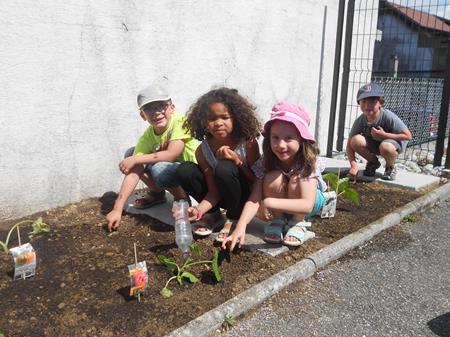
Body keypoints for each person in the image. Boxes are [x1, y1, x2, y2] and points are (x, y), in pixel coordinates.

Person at [221, 101, 326, 250]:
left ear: (301, 140)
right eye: (275, 137)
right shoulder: (266, 161)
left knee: (297, 178)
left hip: (309, 202)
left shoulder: (308, 161)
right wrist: (241, 225)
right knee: (272, 177)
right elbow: (254, 198)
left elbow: (307, 205)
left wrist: (269, 202)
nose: (281, 145)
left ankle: (298, 222)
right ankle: (279, 220)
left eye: (289, 138)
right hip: (283, 202)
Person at [106, 84, 198, 232]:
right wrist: (117, 209)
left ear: (171, 108)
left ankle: (183, 199)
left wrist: (136, 160)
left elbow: (171, 154)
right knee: (132, 154)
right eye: (149, 108)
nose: (156, 112)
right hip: (175, 171)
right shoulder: (148, 136)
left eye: (161, 106)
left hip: (195, 176)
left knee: (157, 167)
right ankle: (157, 194)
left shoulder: (180, 122)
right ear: (143, 115)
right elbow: (134, 170)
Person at [176, 87, 261, 242]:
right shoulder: (203, 150)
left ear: (236, 118)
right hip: (222, 196)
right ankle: (213, 215)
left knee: (225, 168)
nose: (218, 123)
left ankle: (234, 218)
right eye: (211, 118)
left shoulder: (248, 143)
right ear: (203, 122)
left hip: (246, 197)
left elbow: (257, 182)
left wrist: (238, 162)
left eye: (225, 117)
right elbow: (214, 192)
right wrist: (198, 210)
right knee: (185, 170)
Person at [347, 83, 412, 181]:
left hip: (392, 145)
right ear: (359, 103)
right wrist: (353, 165)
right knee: (355, 140)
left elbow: (408, 136)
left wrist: (384, 135)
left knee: (385, 146)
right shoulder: (360, 120)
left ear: (380, 103)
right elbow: (349, 144)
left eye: (372, 102)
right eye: (363, 101)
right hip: (374, 144)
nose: (367, 105)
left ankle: (390, 167)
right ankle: (373, 162)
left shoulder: (387, 116)